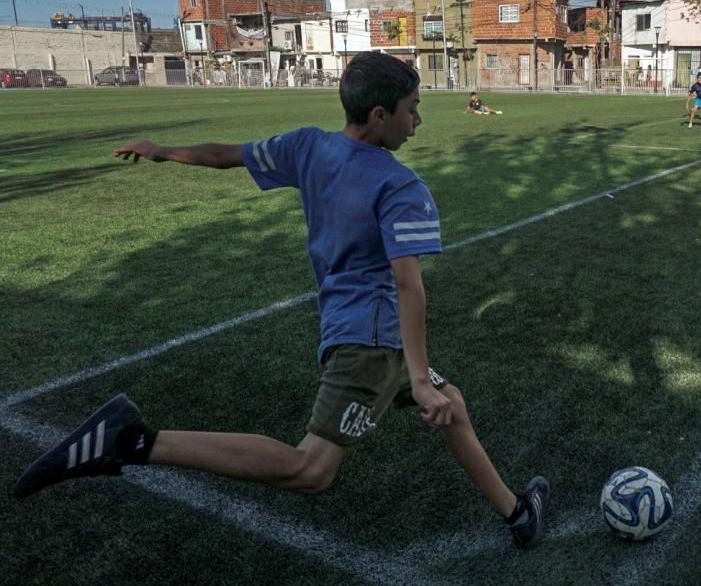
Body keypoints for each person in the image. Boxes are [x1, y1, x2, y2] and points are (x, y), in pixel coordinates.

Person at [13, 52, 550, 549]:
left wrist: (164, 151)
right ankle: (133, 441)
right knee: (310, 469)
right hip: (374, 343)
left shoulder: (308, 146)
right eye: (414, 110)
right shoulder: (401, 185)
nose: (419, 122)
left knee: (450, 404)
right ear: (381, 115)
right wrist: (414, 375)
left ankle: (516, 514)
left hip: (353, 328)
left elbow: (229, 155)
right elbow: (409, 285)